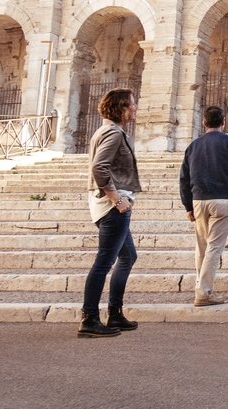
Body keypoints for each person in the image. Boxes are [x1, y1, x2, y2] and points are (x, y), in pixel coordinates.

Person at [79, 88, 142, 338]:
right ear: (122, 108)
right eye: (132, 104)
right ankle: (89, 318)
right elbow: (99, 166)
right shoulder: (113, 133)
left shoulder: (108, 131)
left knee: (128, 257)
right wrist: (116, 198)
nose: (135, 108)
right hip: (112, 207)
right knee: (105, 261)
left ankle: (114, 312)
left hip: (110, 205)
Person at [180, 105, 228, 307]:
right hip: (222, 200)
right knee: (214, 248)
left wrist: (187, 206)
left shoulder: (193, 146)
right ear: (223, 121)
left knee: (201, 247)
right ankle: (203, 292)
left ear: (204, 122)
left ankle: (202, 290)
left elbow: (184, 178)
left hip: (198, 200)